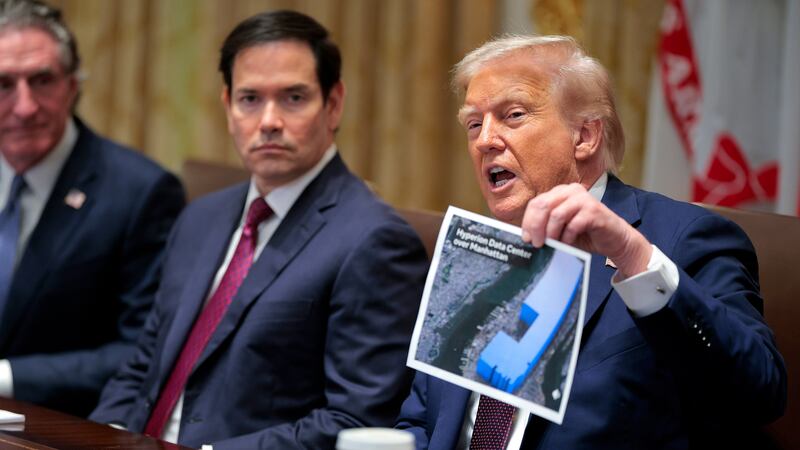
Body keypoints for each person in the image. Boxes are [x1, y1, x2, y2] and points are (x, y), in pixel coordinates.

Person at [395, 35, 787, 449]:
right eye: (474, 124)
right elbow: (422, 421)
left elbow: (759, 394)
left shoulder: (683, 238)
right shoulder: (474, 254)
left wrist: (633, 257)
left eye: (513, 115)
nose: (484, 140)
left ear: (585, 135)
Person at [89, 9, 429, 449]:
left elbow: (354, 420)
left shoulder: (375, 241)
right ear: (227, 106)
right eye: (250, 99)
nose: (269, 120)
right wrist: (104, 435)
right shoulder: (199, 217)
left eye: (293, 98)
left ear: (334, 104)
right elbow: (143, 366)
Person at [0, 0, 184, 417]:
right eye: (3, 84)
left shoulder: (141, 192)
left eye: (42, 80)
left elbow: (142, 351)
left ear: (72, 85)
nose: (24, 107)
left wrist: (6, 376)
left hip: (57, 425)